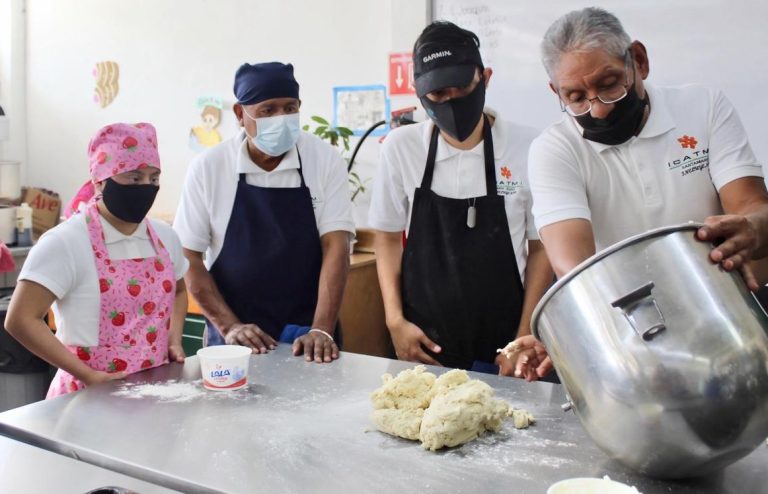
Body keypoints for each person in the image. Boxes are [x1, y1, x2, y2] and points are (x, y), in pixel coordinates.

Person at [512, 7, 768, 380]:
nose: (597, 110)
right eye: (577, 97)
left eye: (609, 84)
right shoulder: (554, 150)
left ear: (639, 61)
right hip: (632, 331)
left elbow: (752, 207)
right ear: (556, 92)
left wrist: (753, 229)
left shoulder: (704, 109)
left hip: (728, 315)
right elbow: (576, 269)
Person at [368, 21, 553, 376]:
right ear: (420, 93)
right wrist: (395, 322)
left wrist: (522, 337)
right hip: (422, 345)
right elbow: (388, 239)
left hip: (505, 347)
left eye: (461, 87)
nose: (451, 101)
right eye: (437, 95)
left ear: (485, 77)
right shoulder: (401, 148)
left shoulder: (528, 147)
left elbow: (540, 248)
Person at [173, 62, 354, 364]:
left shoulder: (323, 159)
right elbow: (188, 256)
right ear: (240, 114)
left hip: (306, 338)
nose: (281, 119)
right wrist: (229, 326)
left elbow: (336, 246)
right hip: (234, 341)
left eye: (289, 108)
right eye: (268, 110)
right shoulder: (210, 168)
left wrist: (322, 329)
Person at [5, 123, 189, 397]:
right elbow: (20, 319)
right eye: (134, 178)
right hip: (86, 394)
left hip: (153, 391)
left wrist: (174, 339)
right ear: (100, 180)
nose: (146, 187)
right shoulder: (65, 242)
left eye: (153, 178)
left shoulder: (165, 238)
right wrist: (87, 374)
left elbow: (180, 290)